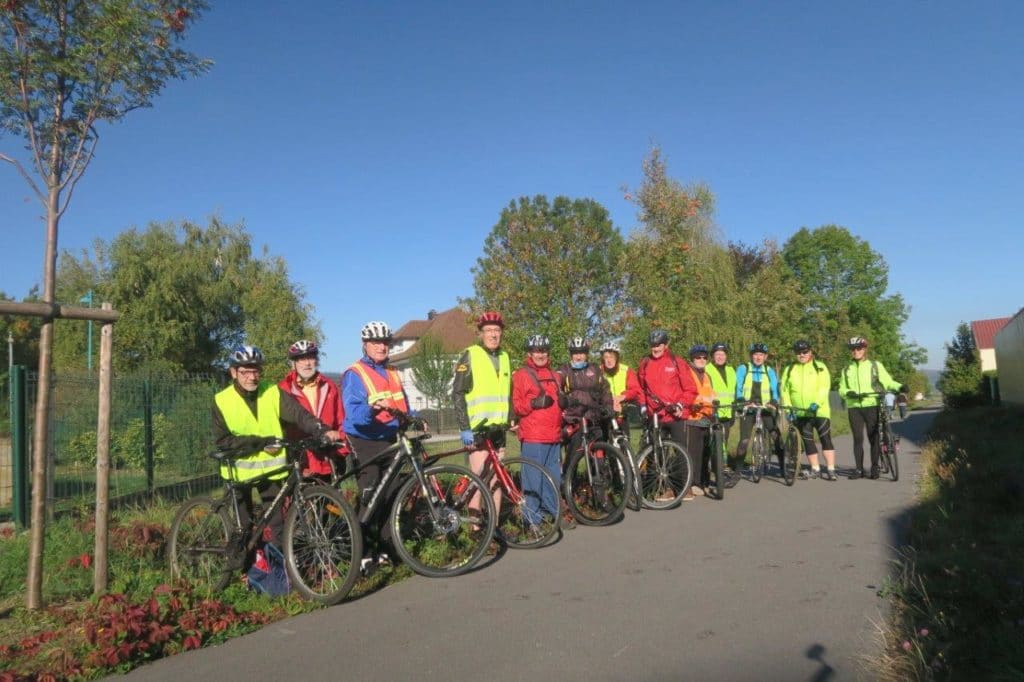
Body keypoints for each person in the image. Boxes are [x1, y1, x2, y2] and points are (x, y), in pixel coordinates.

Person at [212, 344, 341, 554]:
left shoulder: (272, 392)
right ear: (233, 372)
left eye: (256, 370)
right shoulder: (221, 400)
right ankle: (242, 571)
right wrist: (260, 442)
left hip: (271, 472)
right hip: (238, 472)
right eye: (245, 371)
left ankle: (282, 570)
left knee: (278, 523)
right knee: (243, 528)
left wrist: (321, 430)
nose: (252, 377)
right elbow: (224, 441)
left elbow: (299, 414)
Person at [341, 321, 417, 572]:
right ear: (365, 345)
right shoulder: (355, 373)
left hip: (390, 437)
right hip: (365, 439)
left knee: (391, 494)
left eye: (385, 342)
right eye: (375, 342)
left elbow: (403, 402)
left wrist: (416, 417)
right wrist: (371, 410)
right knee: (370, 495)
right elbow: (352, 413)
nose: (381, 347)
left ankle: (386, 548)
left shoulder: (393, 371)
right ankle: (362, 553)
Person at [452, 311, 513, 519]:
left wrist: (511, 417)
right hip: (478, 429)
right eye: (489, 331)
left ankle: (494, 527)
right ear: (481, 334)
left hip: (498, 429)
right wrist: (464, 426)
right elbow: (457, 392)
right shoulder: (470, 355)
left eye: (497, 330)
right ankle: (475, 527)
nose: (493, 334)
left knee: (496, 480)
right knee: (478, 481)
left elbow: (507, 391)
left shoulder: (505, 357)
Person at [636, 329, 700, 501]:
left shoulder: (676, 361)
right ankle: (664, 488)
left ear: (665, 345)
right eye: (653, 345)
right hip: (655, 416)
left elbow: (691, 388)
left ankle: (684, 489)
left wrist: (681, 404)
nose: (655, 348)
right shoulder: (645, 363)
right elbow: (640, 388)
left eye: (659, 345)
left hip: (676, 415)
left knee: (681, 452)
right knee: (658, 453)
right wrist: (642, 406)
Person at [511, 334, 563, 530]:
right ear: (529, 353)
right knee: (533, 478)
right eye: (536, 351)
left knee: (553, 478)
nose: (540, 354)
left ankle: (552, 513)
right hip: (534, 436)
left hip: (554, 434)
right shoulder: (522, 375)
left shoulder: (556, 375)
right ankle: (532, 519)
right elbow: (517, 406)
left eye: (543, 351)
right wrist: (533, 403)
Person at [839, 336, 907, 480]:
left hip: (872, 405)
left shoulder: (875, 365)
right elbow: (841, 389)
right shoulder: (846, 369)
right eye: (853, 349)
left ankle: (875, 467)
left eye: (858, 348)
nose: (855, 351)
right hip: (854, 407)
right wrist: (847, 393)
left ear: (864, 349)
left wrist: (900, 386)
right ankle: (859, 469)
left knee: (873, 437)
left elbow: (888, 381)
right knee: (857, 439)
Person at [278, 339, 347, 480]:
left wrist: (342, 450)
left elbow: (341, 420)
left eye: (311, 357)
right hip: (301, 460)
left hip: (328, 458)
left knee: (331, 501)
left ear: (316, 360)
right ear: (294, 363)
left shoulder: (329, 386)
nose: (307, 363)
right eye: (301, 359)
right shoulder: (284, 389)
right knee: (300, 501)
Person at [780, 340, 837, 481]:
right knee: (808, 441)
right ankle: (815, 469)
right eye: (798, 353)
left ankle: (831, 469)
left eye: (805, 352)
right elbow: (784, 390)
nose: (802, 355)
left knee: (825, 439)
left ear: (810, 352)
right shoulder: (789, 369)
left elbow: (824, 387)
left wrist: (817, 403)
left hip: (819, 411)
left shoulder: (820, 366)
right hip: (800, 412)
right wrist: (788, 407)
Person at [558, 336, 615, 455]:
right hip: (574, 421)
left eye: (582, 353)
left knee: (598, 459)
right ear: (571, 354)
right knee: (573, 457)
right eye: (575, 353)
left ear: (586, 354)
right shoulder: (564, 370)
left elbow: (605, 390)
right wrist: (564, 401)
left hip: (593, 419)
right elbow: (556, 386)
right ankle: (568, 473)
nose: (578, 357)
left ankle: (598, 473)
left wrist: (608, 405)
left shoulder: (594, 369)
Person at [734, 342, 783, 472]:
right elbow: (738, 387)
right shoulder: (743, 368)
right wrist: (741, 400)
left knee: (776, 436)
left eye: (761, 355)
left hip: (765, 408)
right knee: (744, 441)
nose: (758, 357)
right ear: (751, 356)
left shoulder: (769, 371)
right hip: (748, 408)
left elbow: (774, 389)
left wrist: (774, 400)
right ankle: (737, 472)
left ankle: (783, 468)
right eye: (755, 354)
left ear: (765, 357)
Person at [684, 344, 716, 493]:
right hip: (692, 417)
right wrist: (692, 404)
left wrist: (715, 406)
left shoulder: (707, 375)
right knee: (694, 452)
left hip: (706, 417)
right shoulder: (688, 373)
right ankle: (693, 483)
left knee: (705, 452)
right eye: (698, 357)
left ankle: (704, 481)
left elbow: (711, 394)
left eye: (704, 357)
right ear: (692, 358)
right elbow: (685, 393)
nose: (701, 359)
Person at [706, 342, 739, 484]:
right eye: (717, 354)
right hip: (713, 412)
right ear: (713, 356)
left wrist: (737, 403)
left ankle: (719, 469)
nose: (720, 357)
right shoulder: (707, 369)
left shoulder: (731, 370)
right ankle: (716, 469)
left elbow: (735, 389)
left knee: (723, 441)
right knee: (713, 442)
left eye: (722, 354)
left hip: (728, 411)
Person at [598, 341, 643, 441]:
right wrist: (609, 401)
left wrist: (620, 397)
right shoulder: (597, 372)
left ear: (617, 358)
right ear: (602, 359)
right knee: (603, 448)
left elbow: (635, 390)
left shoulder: (626, 370)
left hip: (621, 415)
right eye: (606, 357)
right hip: (604, 416)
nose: (609, 360)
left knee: (624, 450)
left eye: (612, 357)